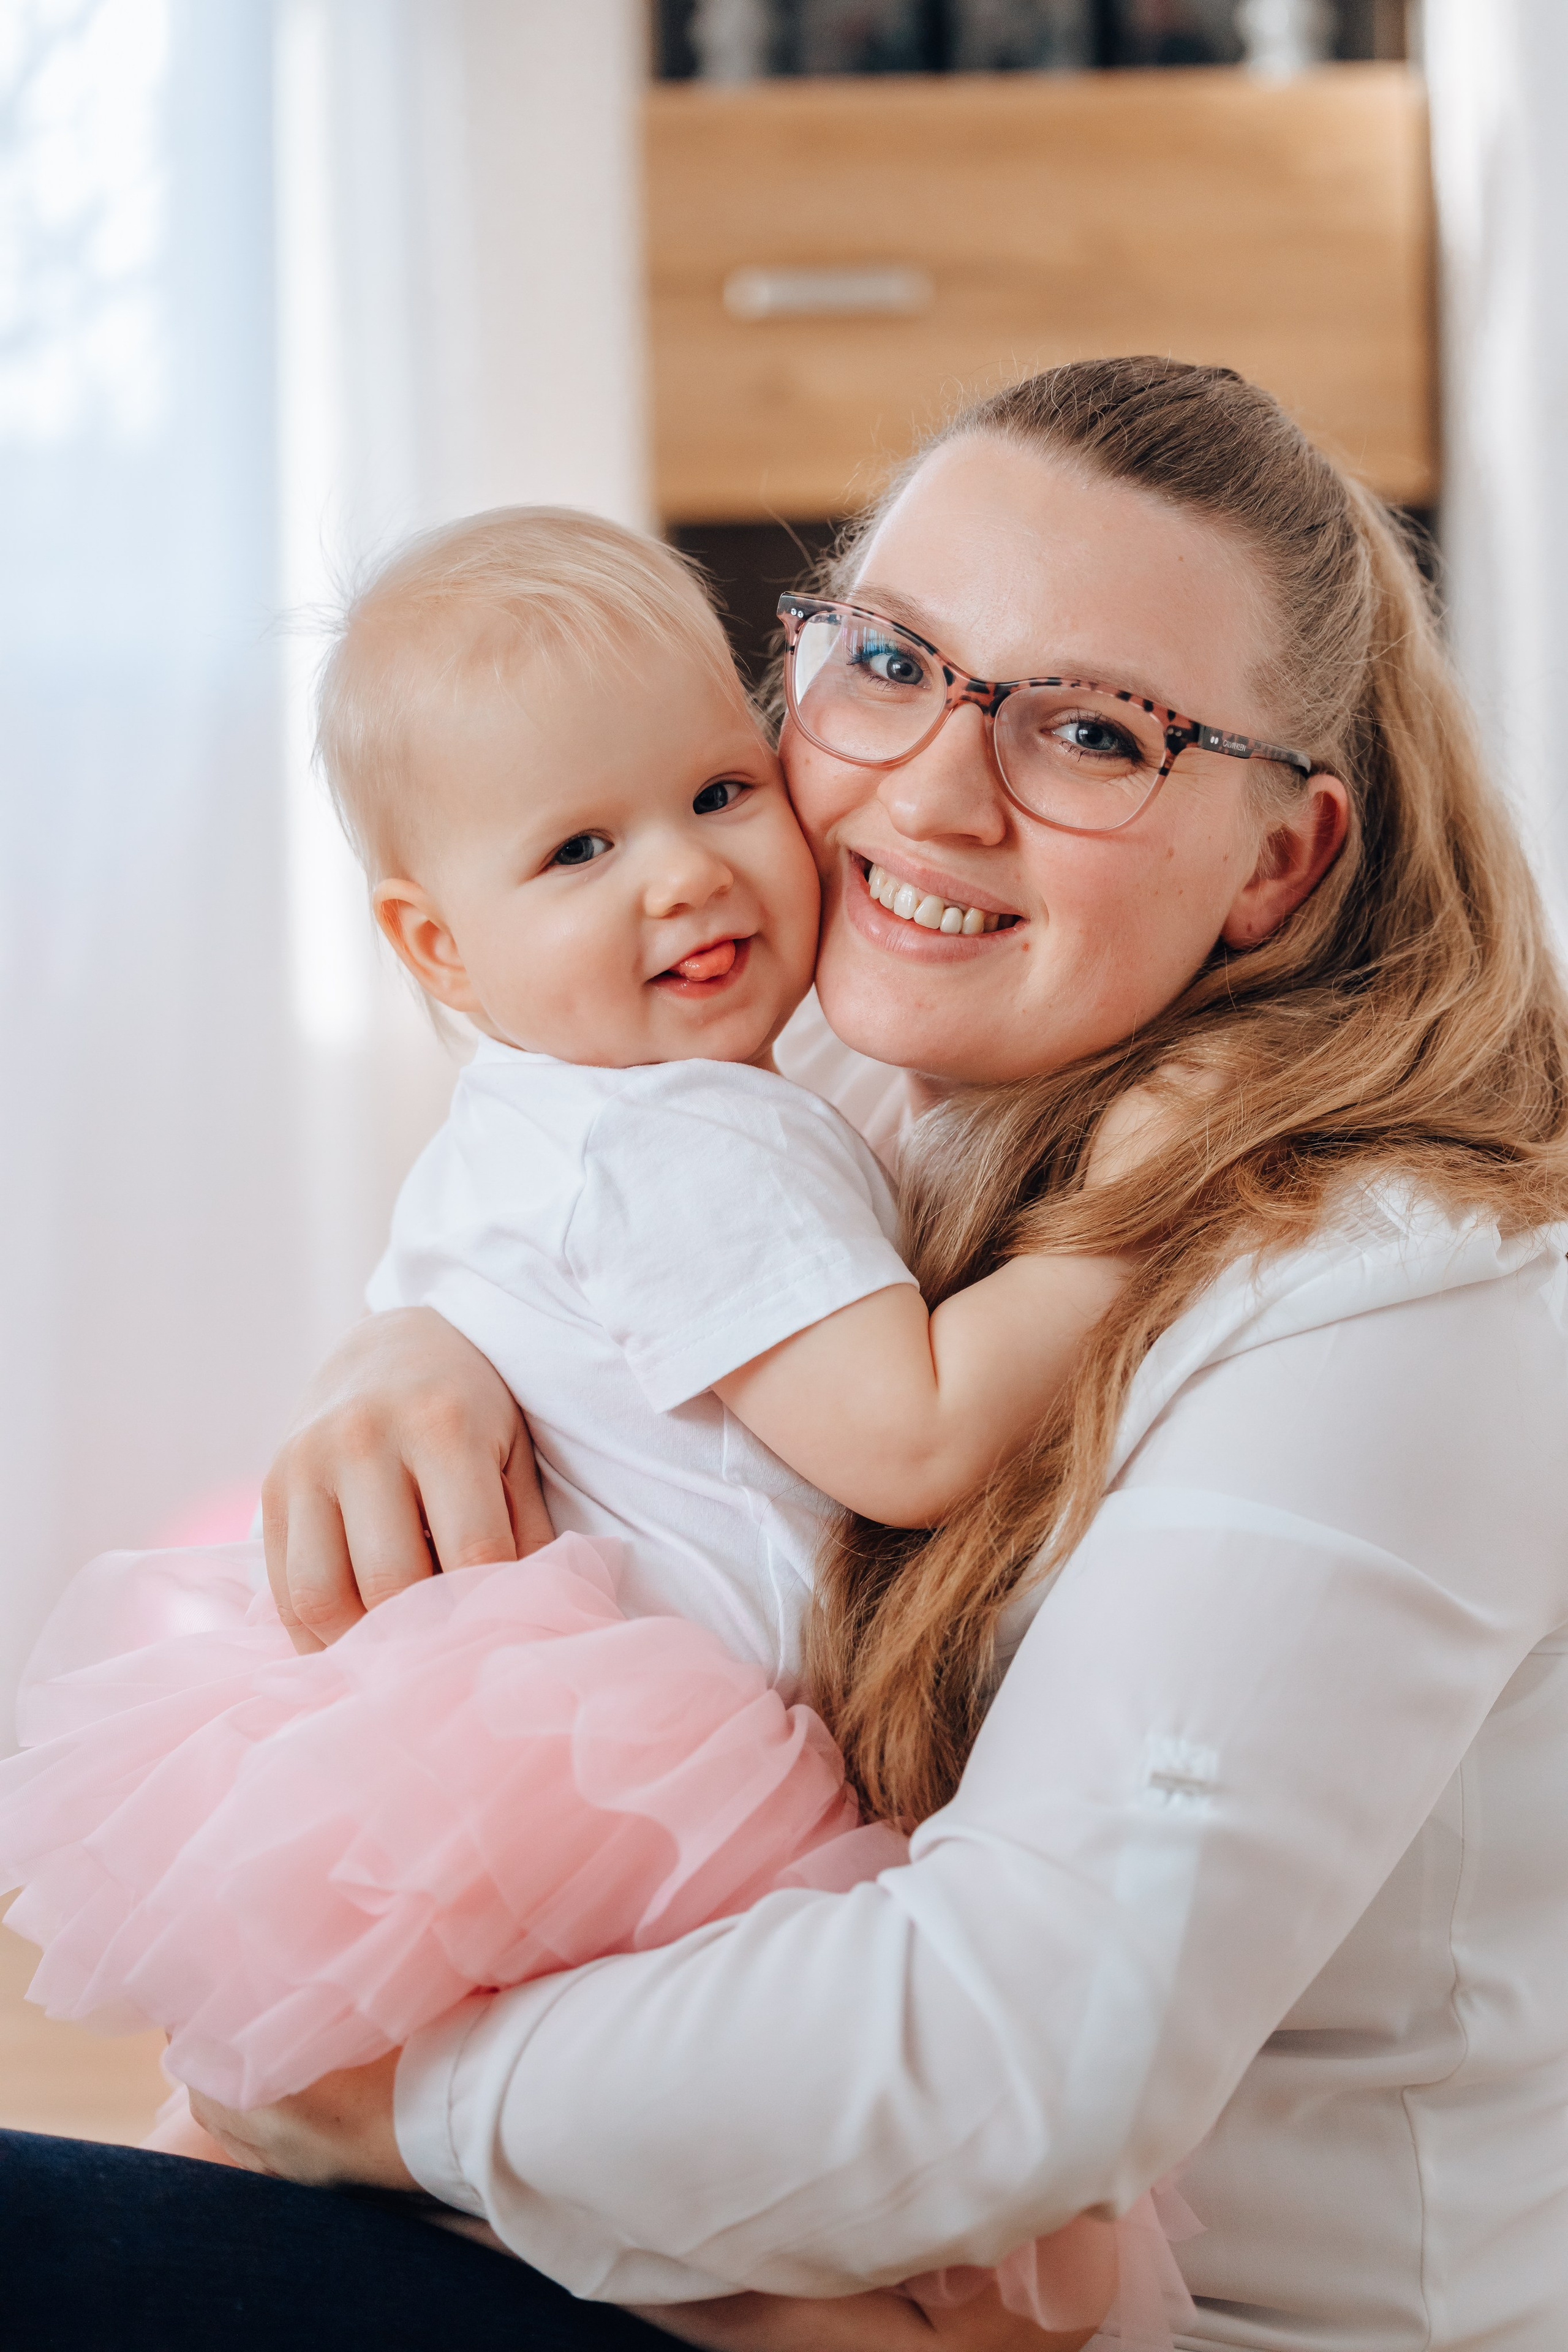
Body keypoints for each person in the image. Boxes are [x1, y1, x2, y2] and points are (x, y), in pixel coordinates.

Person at [6, 354, 1567, 2352]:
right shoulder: (844, 1056)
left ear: (1280, 860)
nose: (930, 793)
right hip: (732, 2206)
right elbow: (592, 1220)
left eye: (1095, 733)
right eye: (891, 663)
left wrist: (379, 2109)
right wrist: (422, 1338)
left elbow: (1016, 2056)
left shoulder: (1404, 1295)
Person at [0, 508, 1172, 2347]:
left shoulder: (547, 1114)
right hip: (638, 1785)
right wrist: (1145, 1221)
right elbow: (916, 1437)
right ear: (439, 946)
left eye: (718, 792)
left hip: (504, 1756)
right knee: (840, 2262)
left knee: (297, 2149)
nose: (684, 875)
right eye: (578, 848)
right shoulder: (688, 1136)